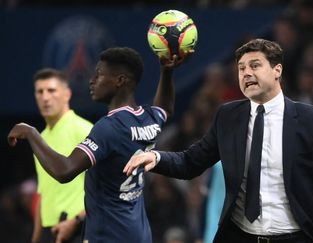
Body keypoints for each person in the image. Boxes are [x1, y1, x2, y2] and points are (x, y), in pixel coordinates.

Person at [124, 39, 313, 243]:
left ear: (277, 70)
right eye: (241, 68)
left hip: (297, 236)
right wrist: (156, 156)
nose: (246, 73)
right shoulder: (227, 116)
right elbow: (191, 162)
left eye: (255, 65)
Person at [8, 47, 185, 242]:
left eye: (99, 74)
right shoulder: (148, 118)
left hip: (108, 235)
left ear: (120, 81)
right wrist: (167, 72)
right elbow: (165, 108)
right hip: (138, 234)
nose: (92, 80)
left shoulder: (109, 127)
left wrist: (31, 133)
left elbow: (64, 171)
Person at [30, 68, 93, 243]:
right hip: (48, 232)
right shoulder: (40, 137)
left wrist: (76, 221)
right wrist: (36, 238)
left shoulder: (84, 130)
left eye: (51, 90)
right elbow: (43, 192)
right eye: (40, 91)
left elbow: (105, 188)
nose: (45, 97)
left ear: (67, 94)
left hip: (79, 229)